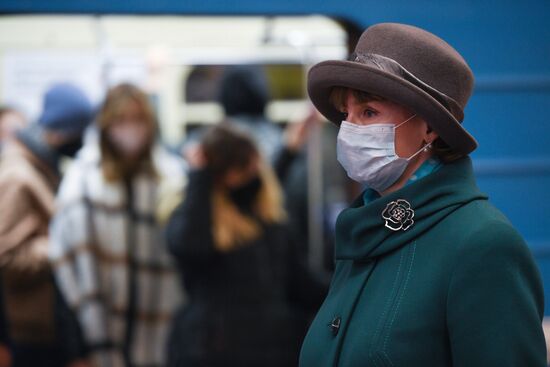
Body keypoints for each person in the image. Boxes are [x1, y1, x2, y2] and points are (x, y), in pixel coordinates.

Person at [299, 23, 547, 366]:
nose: (350, 130)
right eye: (347, 115)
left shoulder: (483, 244)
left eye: (369, 113)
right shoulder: (363, 229)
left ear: (429, 128)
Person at [166, 125, 326, 367]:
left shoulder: (269, 222)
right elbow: (191, 247)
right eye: (247, 168)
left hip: (274, 352)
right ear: (223, 175)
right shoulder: (198, 221)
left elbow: (302, 285)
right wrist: (198, 177)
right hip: (213, 353)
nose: (256, 175)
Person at [49, 83, 185, 367]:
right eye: (121, 121)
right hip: (97, 332)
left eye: (138, 120)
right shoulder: (81, 181)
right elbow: (64, 264)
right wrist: (76, 350)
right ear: (106, 126)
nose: (130, 129)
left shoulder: (170, 177)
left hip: (161, 330)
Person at [0, 82, 94, 367]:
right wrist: (63, 246)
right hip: (33, 331)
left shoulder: (41, 168)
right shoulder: (18, 177)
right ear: (63, 131)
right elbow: (6, 257)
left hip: (48, 325)